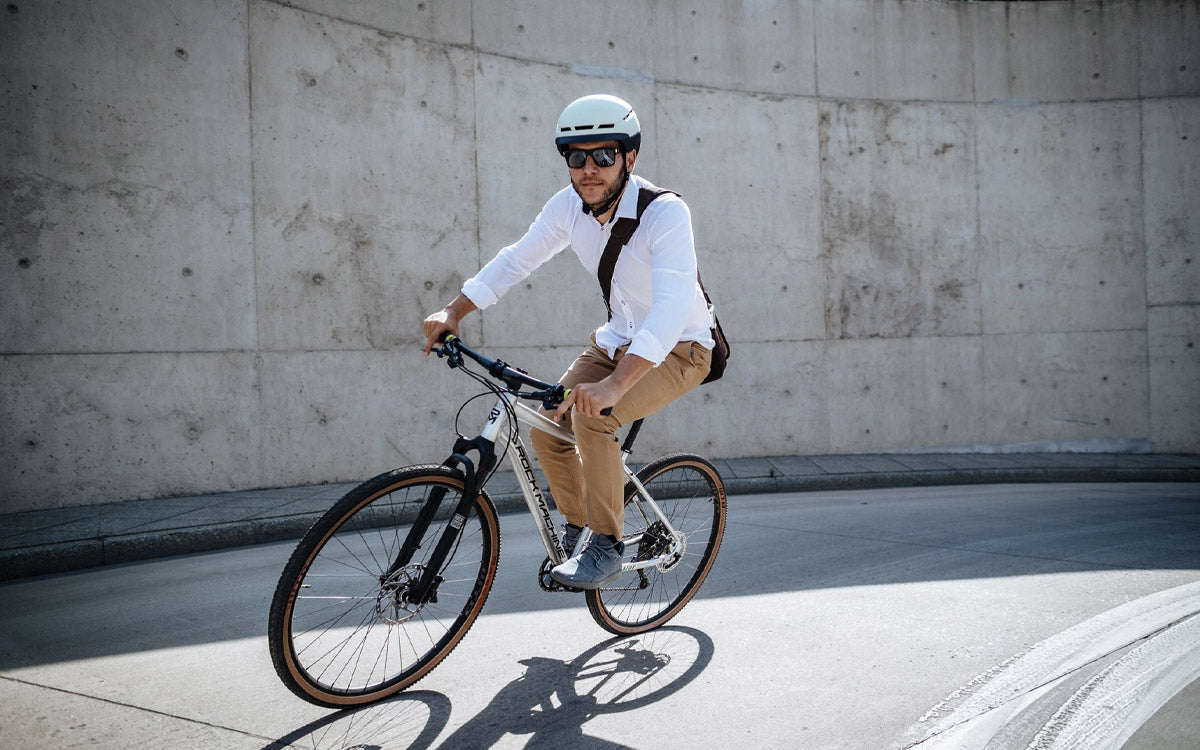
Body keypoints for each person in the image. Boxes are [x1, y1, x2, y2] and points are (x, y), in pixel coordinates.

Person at [422, 94, 715, 589]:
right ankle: (582, 526)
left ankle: (606, 545)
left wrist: (616, 387)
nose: (589, 169)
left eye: (604, 155)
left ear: (629, 158)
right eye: (576, 157)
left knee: (592, 417)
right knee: (544, 426)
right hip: (615, 341)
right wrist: (453, 311)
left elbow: (668, 310)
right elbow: (517, 260)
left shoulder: (665, 214)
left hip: (680, 348)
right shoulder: (567, 208)